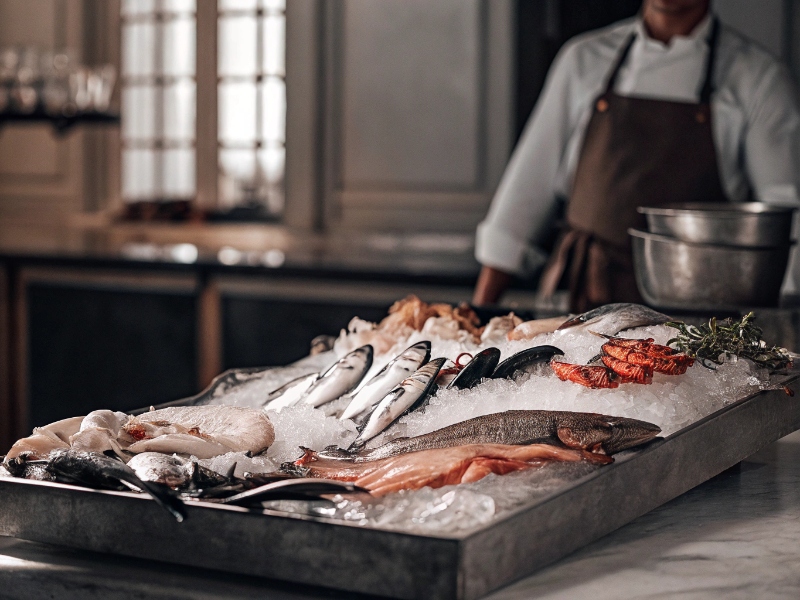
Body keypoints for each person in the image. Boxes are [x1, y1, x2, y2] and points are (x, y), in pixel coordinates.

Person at [472, 0, 800, 311]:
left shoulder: (759, 79)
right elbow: (524, 196)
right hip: (582, 309)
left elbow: (787, 213)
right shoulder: (583, 59)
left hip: (697, 319)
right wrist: (478, 317)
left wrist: (784, 324)